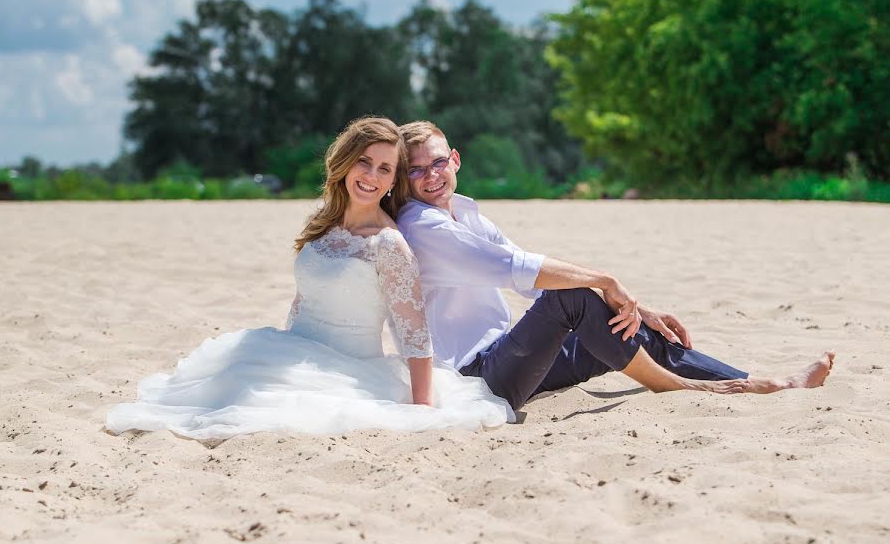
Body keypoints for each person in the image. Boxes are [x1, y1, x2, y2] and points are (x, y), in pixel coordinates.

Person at [107, 117, 514, 440]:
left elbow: (414, 333)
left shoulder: (390, 244)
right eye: (364, 161)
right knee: (211, 392)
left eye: (385, 168)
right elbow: (305, 297)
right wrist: (280, 350)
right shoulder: (325, 223)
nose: (371, 175)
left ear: (393, 181)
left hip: (346, 368)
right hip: (291, 348)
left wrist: (423, 408)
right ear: (344, 162)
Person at [395, 121, 834, 412]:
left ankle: (761, 383)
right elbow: (519, 268)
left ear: (455, 159)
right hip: (476, 377)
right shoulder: (422, 226)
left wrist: (639, 309)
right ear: (403, 180)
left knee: (625, 326)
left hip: (511, 356)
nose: (431, 175)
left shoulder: (468, 214)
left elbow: (529, 286)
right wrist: (607, 281)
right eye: (415, 171)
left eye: (437, 162)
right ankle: (676, 387)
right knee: (574, 297)